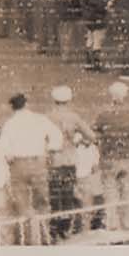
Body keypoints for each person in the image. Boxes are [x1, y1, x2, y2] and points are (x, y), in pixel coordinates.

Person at [0, 92, 64, 245]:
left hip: (18, 164)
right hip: (38, 162)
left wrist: (10, 157)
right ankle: (45, 237)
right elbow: (57, 136)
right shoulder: (39, 119)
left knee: (22, 204)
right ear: (26, 104)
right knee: (42, 201)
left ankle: (28, 240)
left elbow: (3, 148)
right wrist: (50, 150)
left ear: (12, 107)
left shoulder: (9, 124)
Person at [44, 85, 93, 242]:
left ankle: (54, 228)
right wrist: (81, 141)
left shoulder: (48, 117)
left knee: (54, 195)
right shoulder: (74, 117)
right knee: (67, 194)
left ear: (54, 100)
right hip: (70, 159)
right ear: (69, 99)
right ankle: (65, 228)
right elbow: (91, 136)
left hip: (54, 161)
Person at [94, 81, 129, 232]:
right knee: (128, 191)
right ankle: (128, 222)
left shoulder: (103, 114)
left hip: (109, 156)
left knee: (110, 191)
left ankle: (112, 222)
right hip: (128, 156)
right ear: (124, 95)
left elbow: (96, 131)